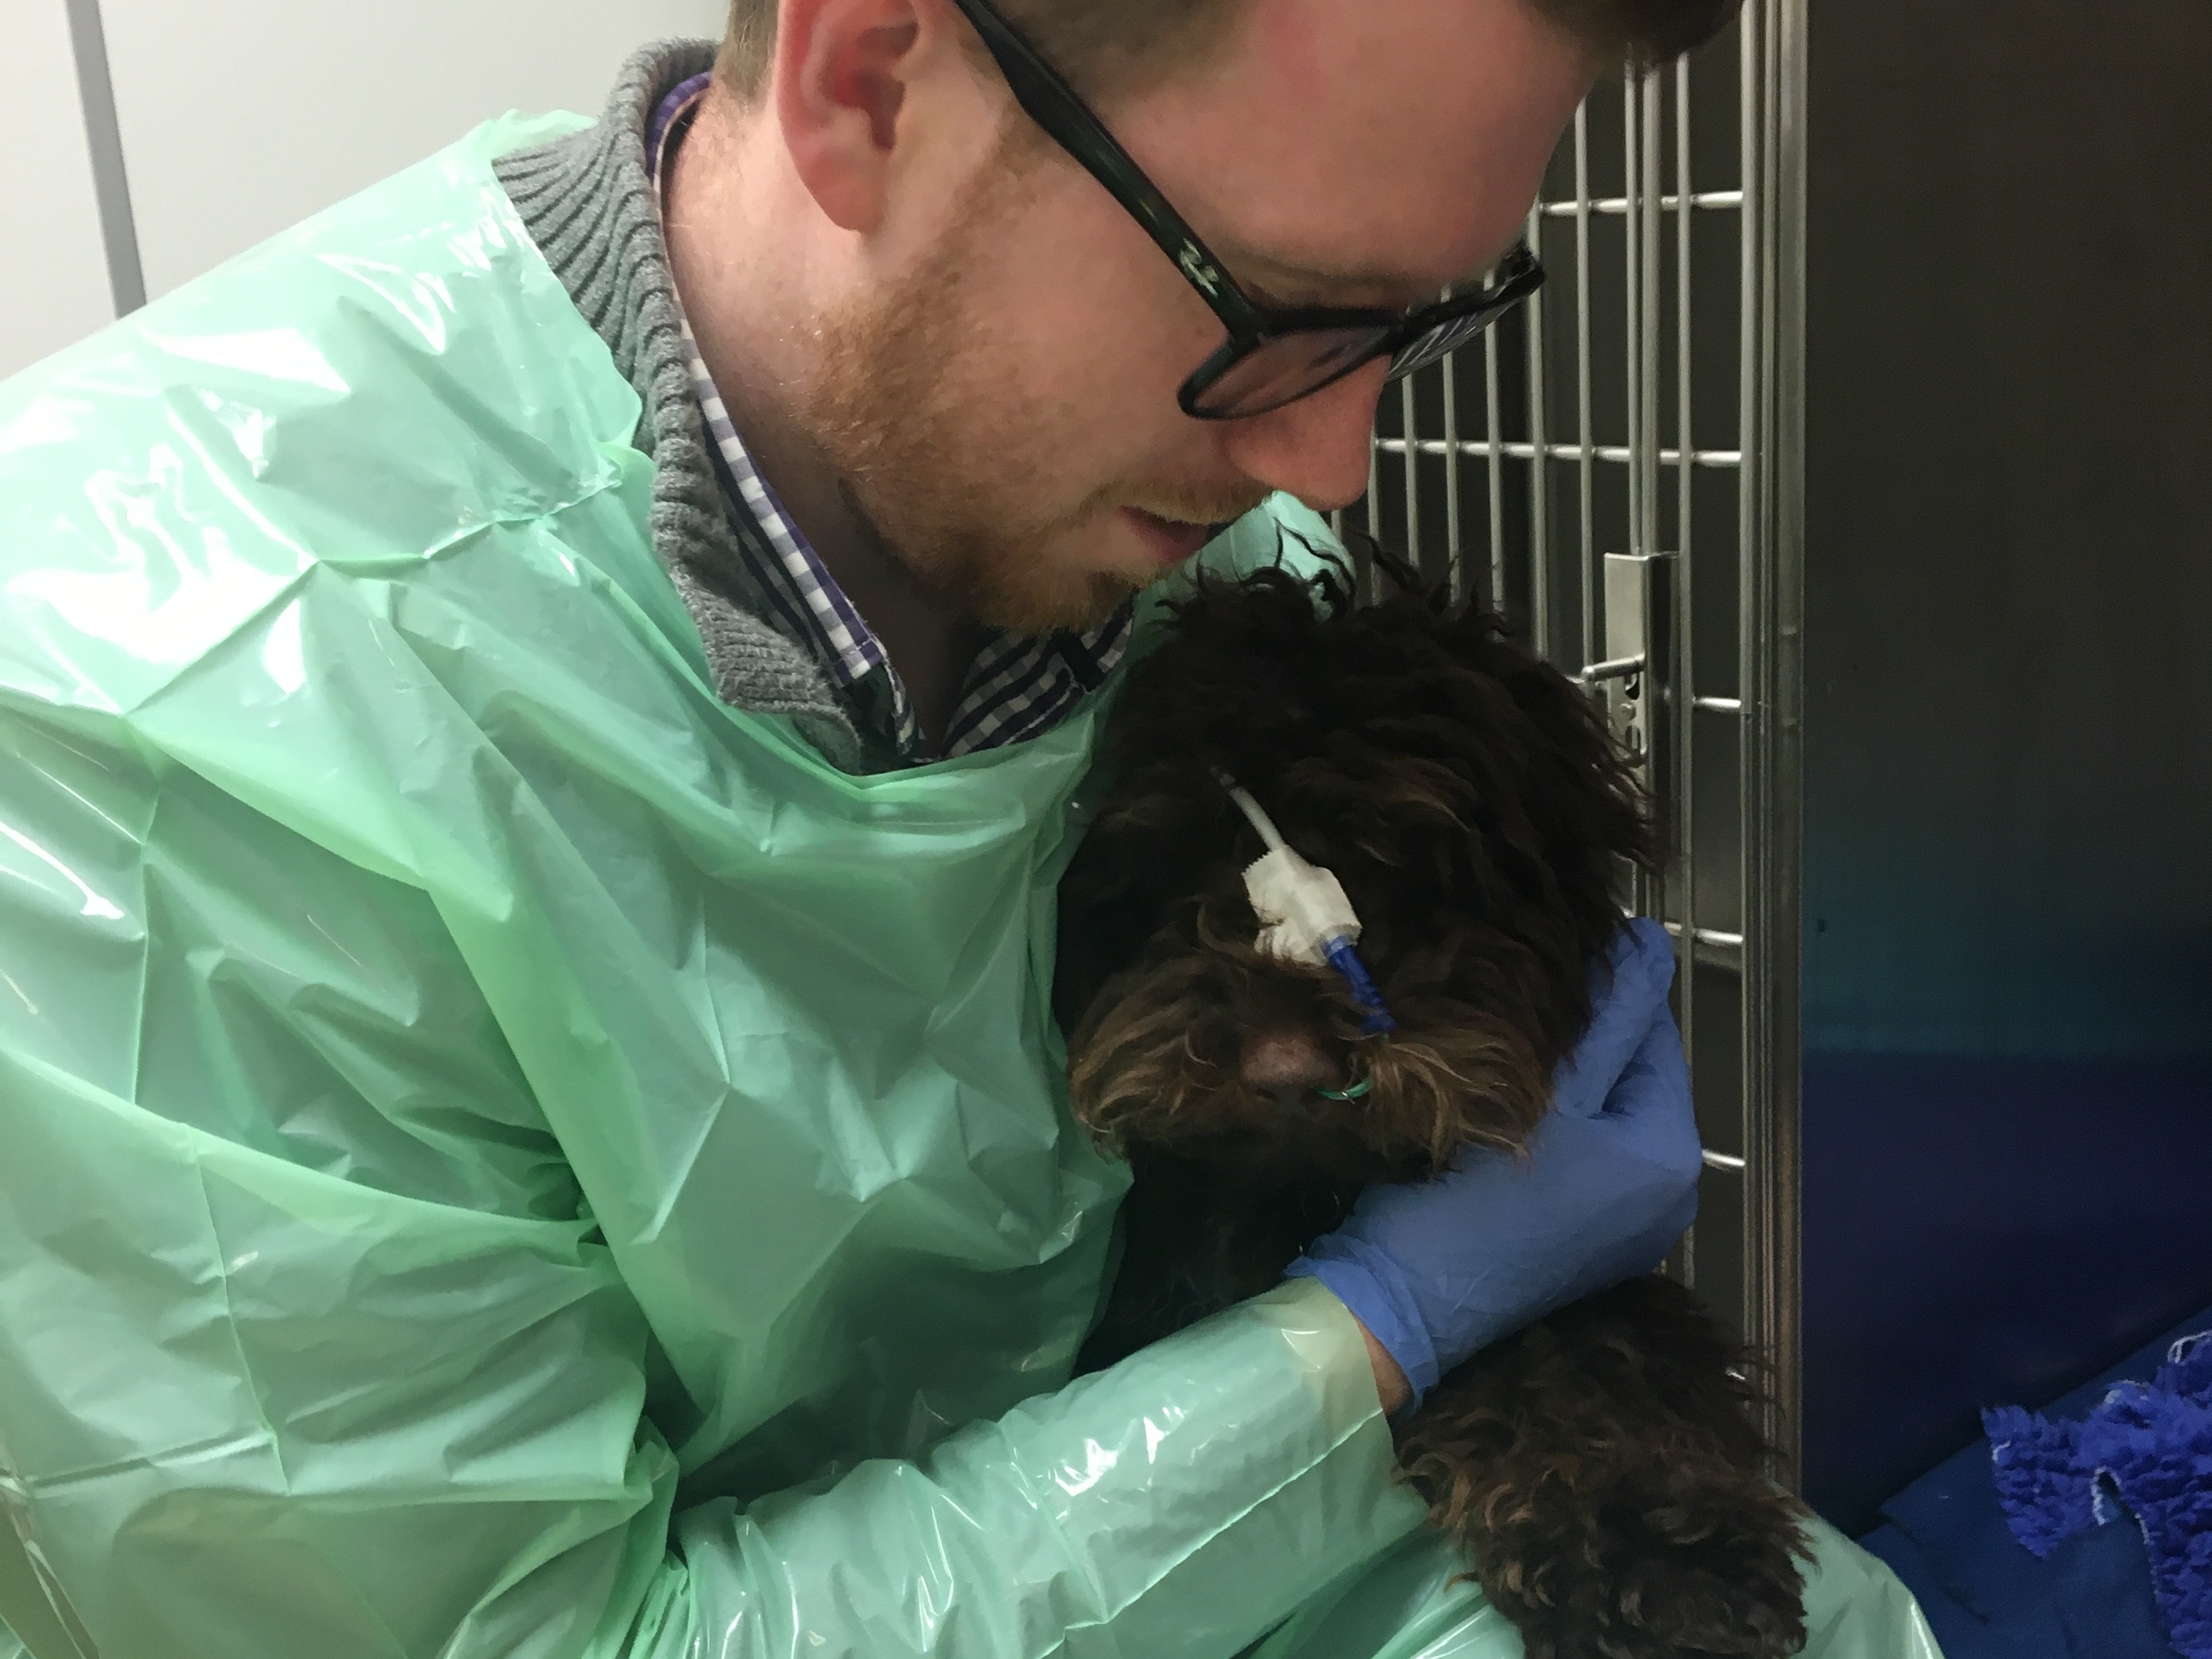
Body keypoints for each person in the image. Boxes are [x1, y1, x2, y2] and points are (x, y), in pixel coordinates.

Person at [0, 3, 1932, 1657]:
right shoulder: (152, 735)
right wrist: (1372, 1331)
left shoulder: (1195, 560)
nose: (1330, 464)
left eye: (1413, 323)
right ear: (867, 78)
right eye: (1272, 313)